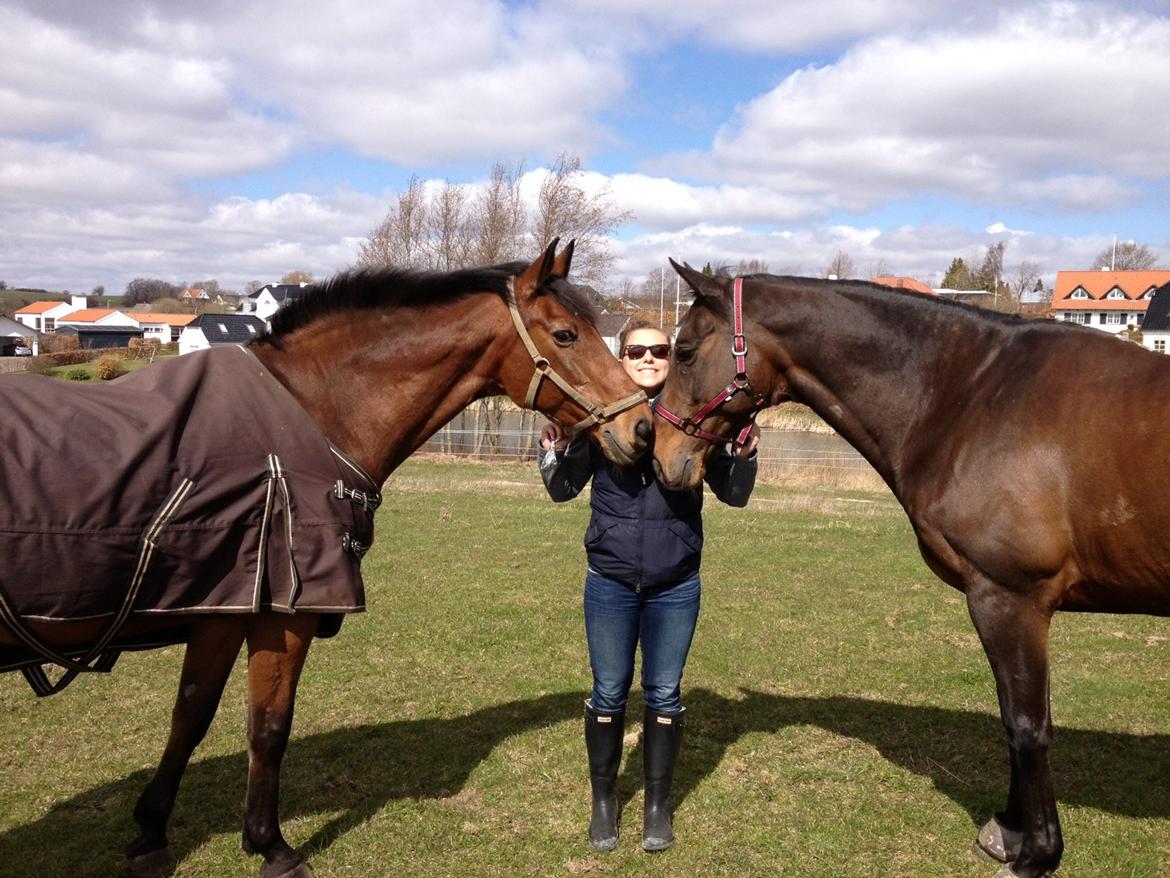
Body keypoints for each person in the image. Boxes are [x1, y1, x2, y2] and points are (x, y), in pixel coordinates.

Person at [538, 319, 759, 853]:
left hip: (676, 585)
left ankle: (657, 807)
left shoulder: (693, 418)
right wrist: (553, 453)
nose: (647, 358)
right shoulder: (604, 416)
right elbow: (564, 490)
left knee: (664, 694)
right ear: (622, 357)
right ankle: (604, 800)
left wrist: (743, 458)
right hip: (610, 582)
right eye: (635, 350)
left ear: (670, 358)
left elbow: (733, 494)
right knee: (609, 692)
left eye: (659, 350)